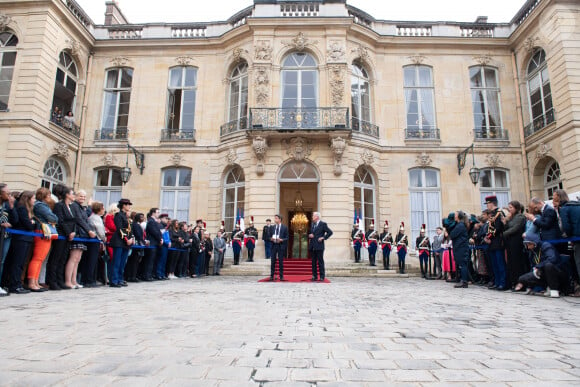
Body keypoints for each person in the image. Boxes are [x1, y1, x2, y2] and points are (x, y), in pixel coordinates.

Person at [27, 188, 58, 292]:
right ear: (44, 196)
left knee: (40, 259)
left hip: (43, 232)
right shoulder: (40, 205)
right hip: (41, 232)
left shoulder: (40, 205)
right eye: (48, 195)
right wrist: (54, 217)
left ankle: (35, 281)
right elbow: (53, 218)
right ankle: (32, 282)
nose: (50, 197)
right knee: (38, 258)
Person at [5, 191, 36, 294]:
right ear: (28, 199)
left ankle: (18, 283)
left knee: (22, 263)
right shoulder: (22, 208)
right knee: (17, 263)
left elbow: (31, 224)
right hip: (20, 238)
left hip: (26, 238)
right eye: (33, 198)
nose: (34, 200)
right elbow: (28, 225)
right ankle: (14, 285)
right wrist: (32, 223)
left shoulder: (28, 209)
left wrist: (32, 223)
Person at [66, 189, 97, 289]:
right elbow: (79, 220)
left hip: (82, 234)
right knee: (73, 258)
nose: (82, 198)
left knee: (77, 259)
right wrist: (89, 231)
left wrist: (88, 206)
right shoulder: (74, 206)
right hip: (78, 233)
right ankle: (68, 281)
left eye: (84, 197)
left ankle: (74, 280)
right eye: (81, 196)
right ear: (76, 196)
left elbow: (85, 218)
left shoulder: (81, 207)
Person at [557, 189, 580, 296]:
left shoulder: (565, 209)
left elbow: (566, 226)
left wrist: (569, 236)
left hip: (576, 238)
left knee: (579, 263)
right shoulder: (577, 205)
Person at [502, 201, 528, 290]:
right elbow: (506, 227)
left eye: (511, 207)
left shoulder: (520, 217)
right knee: (511, 263)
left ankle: (520, 283)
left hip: (517, 242)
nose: (509, 209)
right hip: (509, 242)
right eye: (509, 207)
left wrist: (503, 234)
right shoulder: (511, 218)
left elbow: (515, 228)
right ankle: (513, 282)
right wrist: (505, 221)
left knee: (517, 263)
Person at [109, 199, 134, 287]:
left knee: (122, 262)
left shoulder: (126, 217)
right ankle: (114, 280)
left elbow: (130, 230)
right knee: (117, 261)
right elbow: (120, 228)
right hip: (119, 241)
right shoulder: (118, 215)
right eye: (128, 205)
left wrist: (131, 238)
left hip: (125, 242)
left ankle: (119, 278)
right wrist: (126, 239)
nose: (129, 206)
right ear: (123, 205)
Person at [484, 195, 506, 290]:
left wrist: (489, 237)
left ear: (491, 203)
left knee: (500, 263)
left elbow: (498, 228)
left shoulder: (499, 213)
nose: (487, 206)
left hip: (498, 241)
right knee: (494, 264)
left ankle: (503, 282)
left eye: (488, 204)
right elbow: (490, 228)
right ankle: (497, 282)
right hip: (492, 242)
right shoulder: (493, 214)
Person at [0, 183, 17, 296]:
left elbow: (15, 220)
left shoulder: (6, 205)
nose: (9, 195)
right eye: (7, 193)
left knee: (1, 261)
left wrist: (11, 206)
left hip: (5, 237)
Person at [308, 212, 333, 281]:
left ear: (317, 217)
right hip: (312, 246)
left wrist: (323, 238)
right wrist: (310, 235)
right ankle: (314, 276)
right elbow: (310, 233)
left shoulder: (323, 224)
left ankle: (322, 276)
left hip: (319, 246)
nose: (312, 217)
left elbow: (330, 232)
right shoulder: (313, 224)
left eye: (313, 216)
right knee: (313, 262)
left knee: (320, 261)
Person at [86, 201, 106, 287]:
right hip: (94, 240)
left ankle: (92, 279)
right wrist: (103, 238)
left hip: (95, 240)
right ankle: (90, 280)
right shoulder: (96, 218)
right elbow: (100, 230)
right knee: (92, 261)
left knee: (93, 261)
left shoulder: (95, 217)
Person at [447, 211, 470, 288]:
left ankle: (464, 281)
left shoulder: (460, 225)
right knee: (461, 264)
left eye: (456, 215)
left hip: (461, 247)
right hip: (459, 247)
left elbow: (453, 235)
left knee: (462, 264)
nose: (454, 216)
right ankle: (461, 279)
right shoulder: (459, 225)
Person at [126, 213, 146, 282]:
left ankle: (133, 275)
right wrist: (143, 242)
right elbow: (138, 235)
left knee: (136, 261)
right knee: (134, 261)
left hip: (138, 243)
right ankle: (132, 276)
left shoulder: (138, 225)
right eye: (141, 217)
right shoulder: (135, 225)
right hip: (136, 244)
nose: (143, 218)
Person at [144, 208, 163, 281]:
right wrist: (160, 239)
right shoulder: (151, 221)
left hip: (155, 242)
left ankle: (150, 274)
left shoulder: (154, 221)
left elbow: (158, 232)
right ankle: (147, 275)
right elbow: (154, 232)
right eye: (157, 212)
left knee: (152, 260)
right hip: (152, 243)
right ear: (153, 213)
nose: (158, 213)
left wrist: (160, 238)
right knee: (150, 260)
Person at [270, 214, 288, 281]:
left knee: (280, 262)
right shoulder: (272, 227)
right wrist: (271, 238)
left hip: (280, 246)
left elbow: (287, 237)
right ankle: (272, 275)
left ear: (280, 219)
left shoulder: (284, 227)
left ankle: (281, 276)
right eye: (275, 218)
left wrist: (282, 240)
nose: (275, 220)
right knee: (273, 261)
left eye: (276, 218)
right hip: (273, 245)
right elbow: (269, 236)